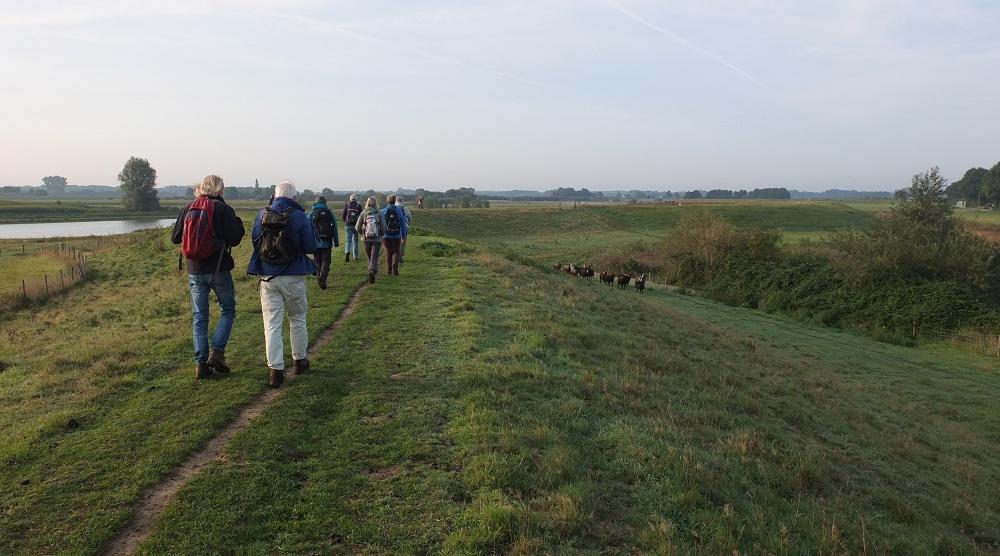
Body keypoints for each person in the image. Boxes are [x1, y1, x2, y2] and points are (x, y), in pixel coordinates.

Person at [170, 174, 245, 379]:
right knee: (228, 309)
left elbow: (175, 238)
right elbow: (235, 238)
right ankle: (217, 354)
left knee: (199, 318)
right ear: (219, 189)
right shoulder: (223, 209)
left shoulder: (188, 208)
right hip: (218, 267)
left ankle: (200, 365)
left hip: (194, 269)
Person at [247, 180, 317, 388]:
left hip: (268, 277)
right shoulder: (299, 216)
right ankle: (300, 361)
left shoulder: (262, 215)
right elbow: (311, 245)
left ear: (274, 195)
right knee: (297, 319)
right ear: (294, 197)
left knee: (272, 324)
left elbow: (255, 242)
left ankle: (275, 370)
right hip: (294, 275)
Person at [307, 196, 339, 289]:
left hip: (315, 242)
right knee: (326, 261)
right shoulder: (329, 212)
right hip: (327, 242)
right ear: (325, 202)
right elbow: (335, 228)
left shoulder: (312, 213)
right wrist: (336, 241)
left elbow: (308, 229)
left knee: (317, 261)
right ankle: (323, 278)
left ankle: (319, 279)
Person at [355, 196, 386, 284]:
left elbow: (357, 227)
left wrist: (362, 233)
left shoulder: (363, 213)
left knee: (370, 256)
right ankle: (372, 270)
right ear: (376, 203)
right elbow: (384, 227)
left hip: (366, 239)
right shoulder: (379, 213)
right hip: (377, 239)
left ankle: (372, 269)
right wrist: (381, 234)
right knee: (374, 256)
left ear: (367, 203)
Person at [381, 194, 409, 276]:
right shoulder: (399, 210)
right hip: (396, 235)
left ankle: (389, 269)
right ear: (394, 201)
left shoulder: (383, 210)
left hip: (386, 235)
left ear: (387, 201)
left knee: (388, 252)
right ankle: (395, 264)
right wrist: (403, 236)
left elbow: (380, 224)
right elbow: (403, 224)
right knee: (396, 251)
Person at [342, 193, 362, 263]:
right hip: (356, 225)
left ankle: (347, 251)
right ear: (356, 199)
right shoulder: (358, 205)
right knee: (355, 240)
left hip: (348, 225)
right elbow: (361, 216)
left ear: (350, 199)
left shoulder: (347, 205)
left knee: (348, 240)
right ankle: (355, 256)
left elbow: (344, 215)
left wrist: (345, 222)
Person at [395, 196, 413, 263]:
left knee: (395, 241)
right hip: (404, 227)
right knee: (403, 242)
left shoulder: (393, 208)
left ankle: (394, 255)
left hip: (394, 227)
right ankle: (400, 256)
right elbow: (410, 218)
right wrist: (408, 224)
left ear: (396, 201)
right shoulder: (405, 208)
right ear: (402, 201)